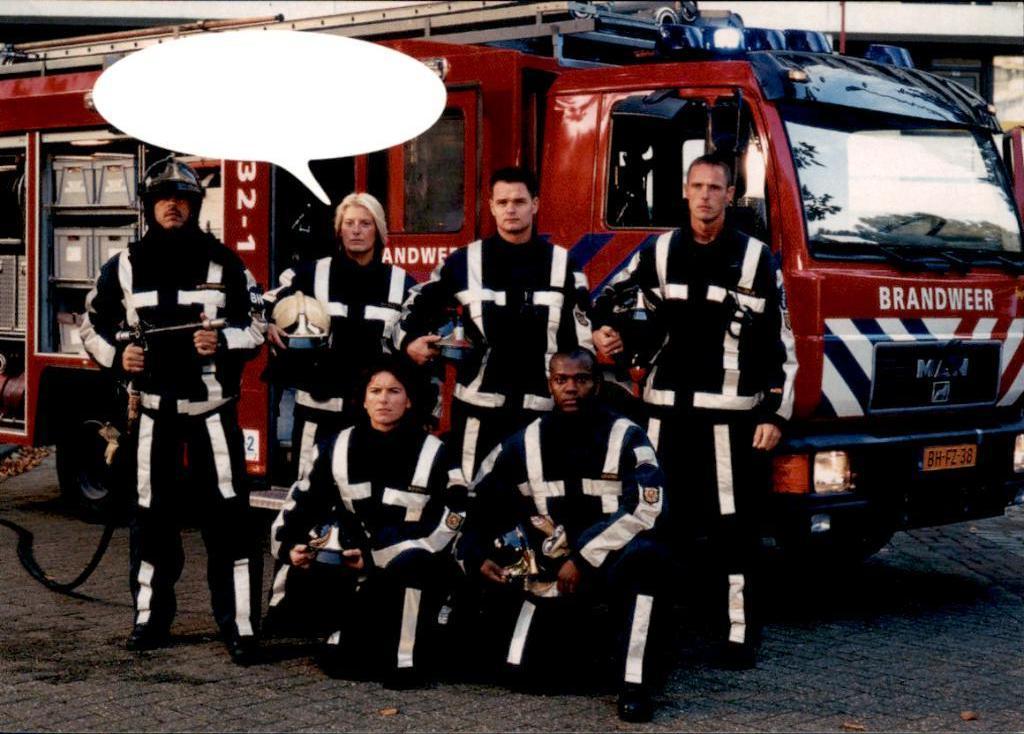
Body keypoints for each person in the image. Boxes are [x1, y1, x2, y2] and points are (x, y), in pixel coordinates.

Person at [591, 153, 798, 669]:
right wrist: (603, 332)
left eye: (716, 187)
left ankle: (737, 632)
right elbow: (601, 299)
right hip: (663, 419)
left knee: (734, 527)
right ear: (684, 192)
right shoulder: (657, 253)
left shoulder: (757, 260)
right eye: (698, 186)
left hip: (731, 422)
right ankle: (656, 628)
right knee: (658, 521)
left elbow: (784, 345)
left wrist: (775, 415)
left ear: (731, 195)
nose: (706, 196)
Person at [79, 156, 265, 664]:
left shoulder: (225, 263)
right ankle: (150, 618)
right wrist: (119, 357)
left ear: (196, 206)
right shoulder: (123, 265)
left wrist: (221, 339)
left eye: (182, 199)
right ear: (147, 206)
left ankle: (241, 627)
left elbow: (257, 325)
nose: (173, 207)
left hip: (212, 415)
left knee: (229, 521)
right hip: (154, 417)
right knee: (150, 520)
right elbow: (89, 327)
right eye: (163, 199)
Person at [459, 348, 670, 723]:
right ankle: (584, 650)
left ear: (597, 383)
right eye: (562, 380)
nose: (571, 388)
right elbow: (477, 499)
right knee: (525, 675)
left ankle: (634, 683)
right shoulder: (524, 441)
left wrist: (584, 557)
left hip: (610, 564)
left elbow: (647, 508)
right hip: (550, 571)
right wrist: (475, 553)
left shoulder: (628, 436)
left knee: (648, 559)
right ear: (550, 385)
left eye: (582, 379)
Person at [262, 192, 416, 626]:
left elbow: (419, 331)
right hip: (319, 411)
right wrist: (271, 322)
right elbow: (263, 302)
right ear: (338, 230)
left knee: (371, 509)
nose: (356, 230)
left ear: (379, 231)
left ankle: (361, 608)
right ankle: (285, 605)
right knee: (307, 504)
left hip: (372, 418)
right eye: (348, 223)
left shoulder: (402, 283)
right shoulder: (311, 274)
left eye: (365, 223)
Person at [270, 358, 466, 688]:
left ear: (410, 399)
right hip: (355, 568)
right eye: (375, 391)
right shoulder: (335, 447)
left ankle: (408, 657)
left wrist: (380, 556)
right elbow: (300, 505)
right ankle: (346, 630)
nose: (383, 399)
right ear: (363, 399)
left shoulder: (438, 453)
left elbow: (451, 520)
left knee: (400, 649)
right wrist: (292, 548)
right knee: (342, 663)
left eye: (394, 391)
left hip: (417, 568)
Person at [395, 166, 594, 482]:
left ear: (535, 205)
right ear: (491, 207)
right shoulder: (464, 262)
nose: (511, 209)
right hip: (477, 415)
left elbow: (583, 339)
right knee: (474, 502)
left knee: (538, 505)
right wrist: (409, 342)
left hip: (541, 413)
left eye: (519, 201)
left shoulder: (562, 264)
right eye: (502, 203)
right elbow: (415, 306)